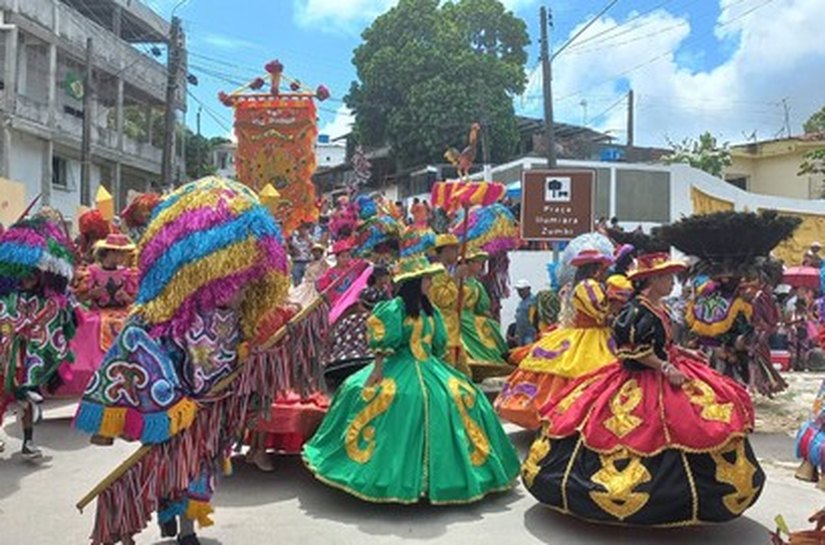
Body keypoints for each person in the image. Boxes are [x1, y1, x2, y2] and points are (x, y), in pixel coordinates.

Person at [523, 252, 764, 526]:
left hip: (664, 371)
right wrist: (665, 367)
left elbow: (662, 343)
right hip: (639, 379)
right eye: (667, 277)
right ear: (651, 280)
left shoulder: (659, 307)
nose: (672, 283)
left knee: (703, 419)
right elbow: (633, 352)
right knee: (635, 431)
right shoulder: (635, 311)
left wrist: (683, 353)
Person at [303, 255, 520, 504]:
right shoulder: (395, 308)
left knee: (465, 395)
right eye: (426, 279)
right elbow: (383, 343)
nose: (430, 283)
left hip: (430, 367)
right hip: (399, 365)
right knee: (377, 395)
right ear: (414, 282)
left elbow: (438, 345)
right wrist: (377, 370)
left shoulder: (431, 310)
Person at [495, 249, 616, 430]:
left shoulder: (572, 286)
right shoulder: (590, 286)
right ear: (596, 268)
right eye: (603, 267)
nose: (606, 271)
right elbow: (600, 312)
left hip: (575, 333)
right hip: (591, 336)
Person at [458, 250, 510, 375]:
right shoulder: (456, 280)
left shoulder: (476, 284)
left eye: (482, 263)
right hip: (457, 317)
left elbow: (482, 307)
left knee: (490, 325)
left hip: (471, 316)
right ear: (468, 263)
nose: (481, 266)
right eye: (478, 263)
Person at [428, 234, 471, 376]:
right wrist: (455, 279)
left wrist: (459, 282)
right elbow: (441, 299)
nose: (457, 252)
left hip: (454, 330)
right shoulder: (436, 271)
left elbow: (461, 301)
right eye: (453, 249)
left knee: (464, 374)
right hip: (442, 328)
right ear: (444, 251)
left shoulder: (449, 270)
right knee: (448, 373)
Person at [513, 279, 537, 346]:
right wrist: (517, 333)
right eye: (518, 290)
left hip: (530, 334)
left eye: (521, 290)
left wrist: (536, 334)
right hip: (521, 335)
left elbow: (535, 318)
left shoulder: (533, 301)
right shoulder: (521, 303)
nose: (520, 293)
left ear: (529, 289)